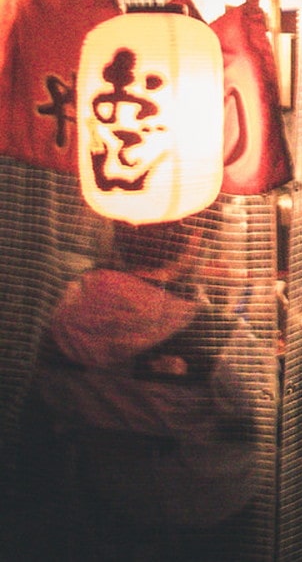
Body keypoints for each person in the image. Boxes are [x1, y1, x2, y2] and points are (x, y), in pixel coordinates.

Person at [27, 218, 261, 557]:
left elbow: (51, 399)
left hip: (103, 503)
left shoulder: (60, 315)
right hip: (209, 513)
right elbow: (270, 416)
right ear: (194, 241)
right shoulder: (217, 337)